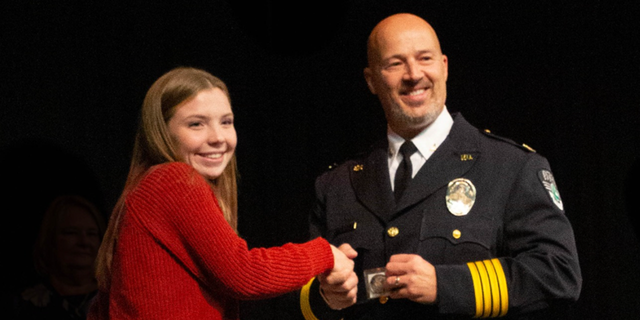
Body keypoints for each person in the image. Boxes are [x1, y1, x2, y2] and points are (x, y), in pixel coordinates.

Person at [294, 13, 582, 319]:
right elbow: (302, 299)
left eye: (425, 58)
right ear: (371, 81)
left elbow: (559, 274)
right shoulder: (336, 185)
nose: (413, 74)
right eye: (395, 63)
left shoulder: (511, 167)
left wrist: (445, 285)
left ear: (444, 67)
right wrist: (327, 295)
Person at [86, 67, 357, 320]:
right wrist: (325, 254)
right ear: (162, 132)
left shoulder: (147, 189)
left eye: (226, 122)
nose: (218, 137)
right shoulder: (173, 180)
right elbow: (243, 274)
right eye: (196, 124)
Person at [12, 195, 106, 320]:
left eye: (91, 234)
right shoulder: (21, 306)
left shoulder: (116, 298)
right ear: (50, 239)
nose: (84, 242)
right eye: (71, 232)